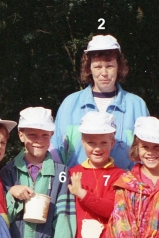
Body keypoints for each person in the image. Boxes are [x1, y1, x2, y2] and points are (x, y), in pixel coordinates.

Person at [0, 107, 75, 238]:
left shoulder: (60, 173)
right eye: (32, 134)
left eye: (44, 135)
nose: (38, 140)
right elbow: (1, 213)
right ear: (21, 135)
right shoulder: (8, 171)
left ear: (51, 136)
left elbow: (64, 217)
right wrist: (11, 194)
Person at [51, 35, 150, 170]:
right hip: (76, 187)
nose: (104, 73)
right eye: (98, 66)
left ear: (118, 67)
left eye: (109, 66)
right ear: (89, 68)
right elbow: (55, 152)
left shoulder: (136, 105)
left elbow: (147, 153)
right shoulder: (70, 104)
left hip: (124, 188)